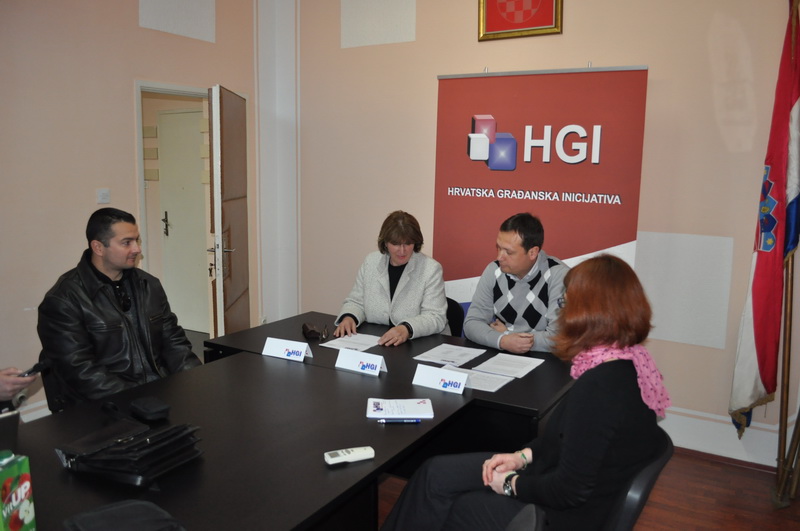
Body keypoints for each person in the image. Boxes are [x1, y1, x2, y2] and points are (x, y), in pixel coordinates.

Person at [382, 254, 671, 531]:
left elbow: (568, 490)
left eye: (565, 303)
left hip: (555, 517)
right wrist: (520, 457)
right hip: (549, 476)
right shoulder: (631, 365)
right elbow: (564, 441)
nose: (562, 311)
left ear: (589, 312)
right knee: (435, 473)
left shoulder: (601, 387)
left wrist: (510, 484)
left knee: (460, 506)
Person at [37, 208, 202, 411]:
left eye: (137, 240)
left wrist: (198, 380)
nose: (137, 249)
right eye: (127, 242)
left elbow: (173, 341)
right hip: (107, 406)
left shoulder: (149, 285)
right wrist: (138, 403)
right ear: (98, 247)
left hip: (159, 392)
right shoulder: (63, 299)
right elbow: (80, 370)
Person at [334, 210, 448, 346]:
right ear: (385, 243)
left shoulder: (431, 269)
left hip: (417, 344)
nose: (402, 250)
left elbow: (435, 316)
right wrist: (349, 317)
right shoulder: (371, 262)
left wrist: (406, 328)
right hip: (377, 341)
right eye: (396, 244)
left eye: (408, 243)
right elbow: (356, 302)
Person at [463, 213, 568, 353]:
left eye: (508, 252)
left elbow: (559, 338)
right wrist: (503, 341)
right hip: (505, 355)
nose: (499, 257)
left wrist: (507, 334)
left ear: (532, 253)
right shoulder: (494, 270)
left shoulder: (559, 276)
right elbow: (472, 323)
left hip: (546, 359)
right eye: (499, 248)